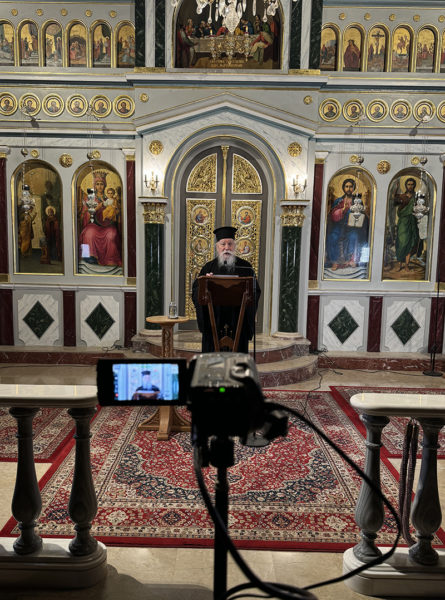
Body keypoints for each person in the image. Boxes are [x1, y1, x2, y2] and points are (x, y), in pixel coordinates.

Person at [192, 226, 261, 353]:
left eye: (230, 244)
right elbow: (197, 290)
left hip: (237, 319)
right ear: (217, 247)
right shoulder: (208, 268)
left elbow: (255, 291)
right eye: (223, 244)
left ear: (234, 246)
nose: (226, 248)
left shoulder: (246, 267)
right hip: (215, 320)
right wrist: (205, 283)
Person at [79, 171, 122, 267]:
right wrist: (96, 209)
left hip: (107, 225)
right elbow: (85, 213)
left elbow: (116, 212)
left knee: (111, 235)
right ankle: (87, 257)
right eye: (97, 184)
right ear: (94, 185)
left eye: (101, 184)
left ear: (105, 185)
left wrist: (115, 212)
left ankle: (110, 260)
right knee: (88, 233)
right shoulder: (90, 198)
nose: (99, 186)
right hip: (93, 224)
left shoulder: (110, 198)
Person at [326, 178, 368, 270]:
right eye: (346, 186)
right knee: (332, 237)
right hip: (339, 226)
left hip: (352, 227)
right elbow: (333, 215)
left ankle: (351, 260)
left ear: (354, 188)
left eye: (351, 187)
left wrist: (358, 214)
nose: (348, 189)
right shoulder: (339, 201)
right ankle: (335, 261)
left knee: (354, 236)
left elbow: (362, 214)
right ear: (343, 188)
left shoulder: (357, 201)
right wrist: (342, 210)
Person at [393, 177, 420, 271]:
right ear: (406, 185)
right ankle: (400, 264)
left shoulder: (416, 197)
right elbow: (395, 203)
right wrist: (396, 190)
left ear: (414, 186)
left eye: (412, 184)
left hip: (412, 222)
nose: (410, 186)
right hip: (403, 223)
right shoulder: (402, 196)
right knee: (402, 243)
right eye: (408, 184)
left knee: (411, 243)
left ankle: (406, 265)